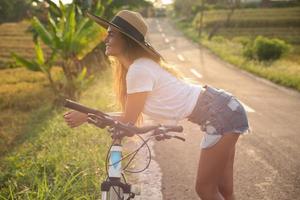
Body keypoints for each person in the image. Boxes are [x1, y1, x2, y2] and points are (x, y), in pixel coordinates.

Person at [63, 10, 252, 200]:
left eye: (111, 33)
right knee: (224, 189)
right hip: (224, 108)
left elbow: (128, 118)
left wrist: (87, 116)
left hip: (220, 114)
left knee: (205, 189)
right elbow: (132, 117)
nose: (105, 38)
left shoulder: (139, 70)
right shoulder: (138, 67)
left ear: (126, 40)